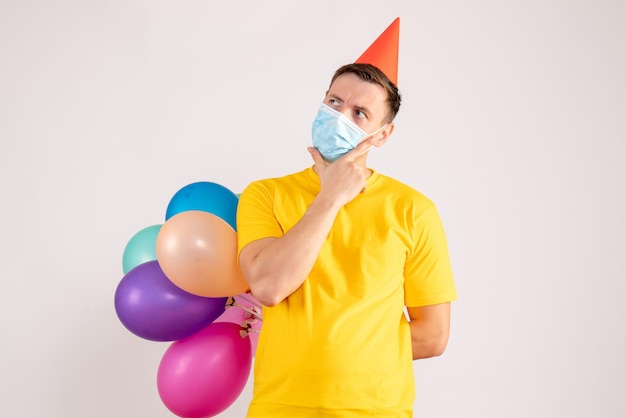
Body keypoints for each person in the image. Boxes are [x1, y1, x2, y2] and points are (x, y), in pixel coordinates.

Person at [236, 18, 457, 418]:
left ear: (382, 135)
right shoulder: (265, 194)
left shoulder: (413, 210)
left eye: (359, 113)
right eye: (334, 103)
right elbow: (268, 286)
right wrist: (330, 198)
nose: (340, 116)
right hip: (280, 408)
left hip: (377, 411)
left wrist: (346, 361)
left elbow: (434, 335)